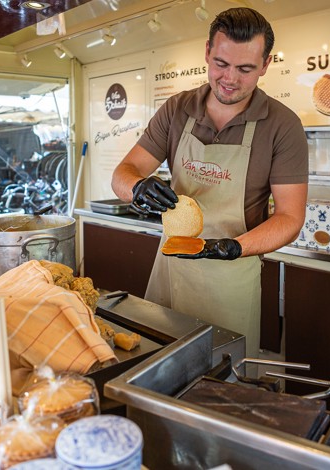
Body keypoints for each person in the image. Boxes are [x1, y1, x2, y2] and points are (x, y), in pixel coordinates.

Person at [112, 7, 308, 365]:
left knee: (221, 379)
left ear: (265, 65)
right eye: (220, 63)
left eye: (245, 69)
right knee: (157, 365)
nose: (229, 78)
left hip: (230, 276)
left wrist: (232, 247)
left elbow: (291, 217)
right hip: (170, 266)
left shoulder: (282, 126)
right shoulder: (178, 109)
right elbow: (123, 172)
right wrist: (138, 186)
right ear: (207, 52)